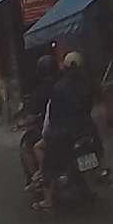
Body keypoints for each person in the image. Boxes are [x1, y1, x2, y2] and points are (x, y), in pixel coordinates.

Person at [31, 52, 93, 211]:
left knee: (47, 162)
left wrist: (49, 133)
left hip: (65, 133)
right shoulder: (86, 83)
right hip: (86, 129)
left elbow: (52, 117)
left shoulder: (59, 87)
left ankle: (48, 200)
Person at [19, 55, 57, 186]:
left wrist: (23, 122)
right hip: (72, 125)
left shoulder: (39, 92)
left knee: (26, 147)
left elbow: (31, 116)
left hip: (50, 129)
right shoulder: (64, 84)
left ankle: (38, 177)